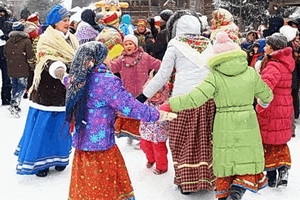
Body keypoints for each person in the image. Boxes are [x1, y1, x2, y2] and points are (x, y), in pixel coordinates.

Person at [168, 31, 273, 200]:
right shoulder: (251, 73)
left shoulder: (214, 77)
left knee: (226, 161)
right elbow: (267, 95)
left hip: (223, 122)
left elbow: (194, 99)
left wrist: (171, 104)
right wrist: (263, 103)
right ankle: (239, 189)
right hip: (248, 121)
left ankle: (225, 194)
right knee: (245, 159)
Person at [65, 41, 176, 200]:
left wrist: (60, 73)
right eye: (108, 54)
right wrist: (157, 115)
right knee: (106, 182)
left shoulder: (77, 78)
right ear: (100, 58)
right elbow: (129, 106)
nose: (111, 58)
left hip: (83, 142)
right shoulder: (106, 81)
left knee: (87, 182)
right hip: (102, 144)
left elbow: (65, 79)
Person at [136, 10, 216, 194]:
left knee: (183, 140)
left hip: (183, 100)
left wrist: (143, 96)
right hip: (207, 99)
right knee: (205, 140)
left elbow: (162, 75)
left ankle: (186, 181)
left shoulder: (175, 44)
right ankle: (207, 177)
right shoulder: (208, 43)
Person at [14, 5, 79, 177]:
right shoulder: (46, 39)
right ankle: (39, 162)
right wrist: (61, 72)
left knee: (62, 128)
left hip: (66, 90)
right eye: (64, 20)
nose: (67, 23)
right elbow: (47, 60)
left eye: (68, 20)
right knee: (44, 128)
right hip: (47, 90)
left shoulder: (72, 39)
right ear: (55, 22)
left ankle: (59, 158)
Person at [109, 34, 161, 148]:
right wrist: (108, 60)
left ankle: (141, 138)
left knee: (140, 114)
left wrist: (166, 66)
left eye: (130, 44)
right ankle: (129, 135)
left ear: (135, 45)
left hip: (142, 92)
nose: (128, 46)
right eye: (126, 44)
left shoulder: (145, 57)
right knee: (129, 114)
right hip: (127, 91)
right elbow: (112, 68)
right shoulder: (121, 59)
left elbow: (157, 64)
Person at [257, 33, 294, 188]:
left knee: (268, 141)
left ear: (273, 48)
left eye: (267, 45)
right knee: (280, 140)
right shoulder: (285, 63)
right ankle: (283, 168)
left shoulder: (273, 66)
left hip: (272, 109)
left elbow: (265, 90)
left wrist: (259, 106)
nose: (264, 47)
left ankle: (271, 174)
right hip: (284, 107)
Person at [140, 81, 169, 175]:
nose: (153, 95)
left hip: (159, 133)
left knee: (159, 151)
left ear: (163, 93)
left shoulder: (165, 104)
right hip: (146, 132)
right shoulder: (145, 103)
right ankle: (151, 159)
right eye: (151, 92)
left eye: (157, 92)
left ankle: (162, 167)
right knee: (145, 147)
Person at [4, 21, 34, 113]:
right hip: (23, 67)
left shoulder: (8, 41)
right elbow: (30, 55)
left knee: (15, 85)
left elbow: (5, 54)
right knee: (22, 86)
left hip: (11, 67)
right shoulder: (26, 41)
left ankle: (14, 101)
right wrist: (32, 64)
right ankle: (15, 102)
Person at [0, 6, 12, 105]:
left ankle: (6, 98)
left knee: (7, 78)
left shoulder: (8, 25)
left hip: (5, 53)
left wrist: (7, 36)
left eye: (2, 14)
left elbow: (13, 37)